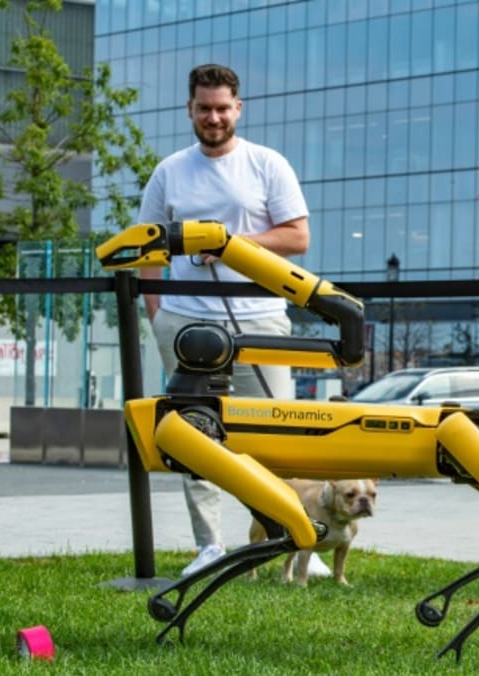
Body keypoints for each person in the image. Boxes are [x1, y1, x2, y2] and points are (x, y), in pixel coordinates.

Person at [137, 63, 328, 578]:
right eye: (205, 108)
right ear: (190, 110)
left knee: (276, 434)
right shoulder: (169, 171)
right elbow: (148, 250)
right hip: (185, 324)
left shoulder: (267, 165)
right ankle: (211, 547)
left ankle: (282, 536)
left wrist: (227, 245)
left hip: (261, 322)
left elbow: (296, 238)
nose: (214, 117)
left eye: (223, 108)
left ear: (238, 108)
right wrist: (159, 318)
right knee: (194, 434)